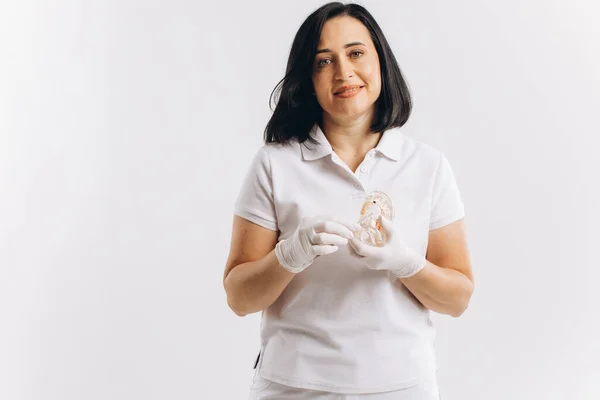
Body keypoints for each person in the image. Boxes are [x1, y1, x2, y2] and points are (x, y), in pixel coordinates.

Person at [223, 2, 474, 399]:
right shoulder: (275, 163)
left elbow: (458, 298)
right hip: (294, 386)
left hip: (402, 386)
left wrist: (408, 265)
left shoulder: (427, 166)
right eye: (324, 61)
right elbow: (238, 297)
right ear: (308, 77)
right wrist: (289, 256)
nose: (343, 72)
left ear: (381, 61)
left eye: (356, 53)